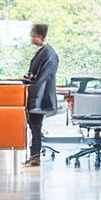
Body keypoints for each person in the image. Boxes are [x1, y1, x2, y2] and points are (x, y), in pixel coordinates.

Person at [22, 23, 59, 168]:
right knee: (34, 127)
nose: (31, 38)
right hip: (37, 94)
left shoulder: (49, 54)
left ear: (39, 36)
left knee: (36, 127)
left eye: (32, 35)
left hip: (40, 96)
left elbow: (42, 78)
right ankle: (34, 155)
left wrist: (30, 84)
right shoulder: (44, 52)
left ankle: (35, 156)